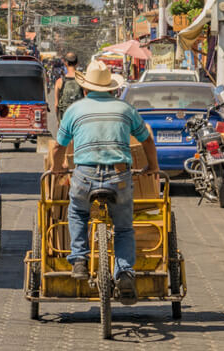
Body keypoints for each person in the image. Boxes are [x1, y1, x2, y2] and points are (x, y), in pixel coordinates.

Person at [55, 59, 158, 305]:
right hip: (119, 176)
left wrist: (57, 168)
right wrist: (153, 167)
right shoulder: (125, 110)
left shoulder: (74, 110)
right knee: (123, 227)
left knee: (78, 213)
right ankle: (124, 273)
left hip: (85, 176)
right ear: (112, 88)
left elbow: (59, 145)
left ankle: (79, 259)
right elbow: (147, 141)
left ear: (85, 88)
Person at [54, 51, 83, 122]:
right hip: (78, 120)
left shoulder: (59, 81)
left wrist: (58, 121)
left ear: (65, 63)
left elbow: (56, 105)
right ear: (77, 63)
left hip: (65, 120)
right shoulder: (82, 81)